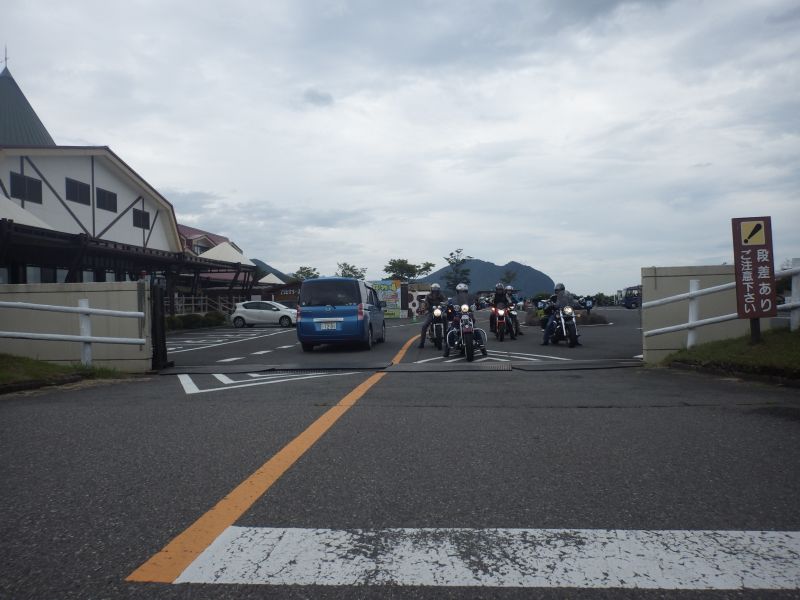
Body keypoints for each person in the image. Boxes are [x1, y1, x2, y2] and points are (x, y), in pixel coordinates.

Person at [418, 283, 447, 348]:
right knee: (424, 326)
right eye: (434, 289)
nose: (435, 291)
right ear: (431, 289)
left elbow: (445, 301)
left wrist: (445, 304)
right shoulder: (428, 296)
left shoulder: (442, 295)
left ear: (439, 290)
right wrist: (426, 307)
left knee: (445, 320)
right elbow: (426, 303)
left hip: (440, 312)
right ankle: (422, 343)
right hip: (431, 312)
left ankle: (446, 339)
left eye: (436, 289)